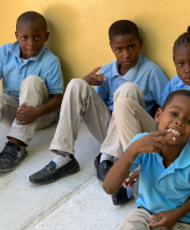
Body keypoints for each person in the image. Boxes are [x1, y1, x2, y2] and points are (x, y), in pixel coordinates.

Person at [29, 20, 168, 184]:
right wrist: (86, 83)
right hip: (110, 132)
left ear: (140, 44)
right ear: (112, 48)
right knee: (76, 83)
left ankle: (106, 159)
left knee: (128, 89)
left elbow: (169, 106)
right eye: (119, 49)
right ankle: (64, 157)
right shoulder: (107, 71)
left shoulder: (152, 72)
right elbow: (96, 107)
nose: (126, 54)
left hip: (136, 134)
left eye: (131, 46)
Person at [110, 25, 190, 205]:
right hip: (167, 136)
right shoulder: (175, 81)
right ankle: (140, 166)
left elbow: (183, 134)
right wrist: (151, 141)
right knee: (124, 104)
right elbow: (164, 119)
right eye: (181, 64)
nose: (188, 69)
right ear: (174, 62)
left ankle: (144, 175)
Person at [103, 90, 190, 230]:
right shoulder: (141, 144)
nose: (179, 122)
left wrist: (177, 213)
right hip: (145, 213)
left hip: (182, 221)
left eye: (189, 120)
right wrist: (132, 150)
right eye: (174, 114)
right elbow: (109, 187)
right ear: (158, 115)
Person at [0, 11, 63, 172]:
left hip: (41, 115)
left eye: (37, 37)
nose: (31, 43)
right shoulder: (5, 51)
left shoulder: (51, 61)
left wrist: (36, 112)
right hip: (15, 111)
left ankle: (16, 145)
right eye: (24, 37)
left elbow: (58, 98)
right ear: (16, 35)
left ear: (46, 36)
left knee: (32, 80)